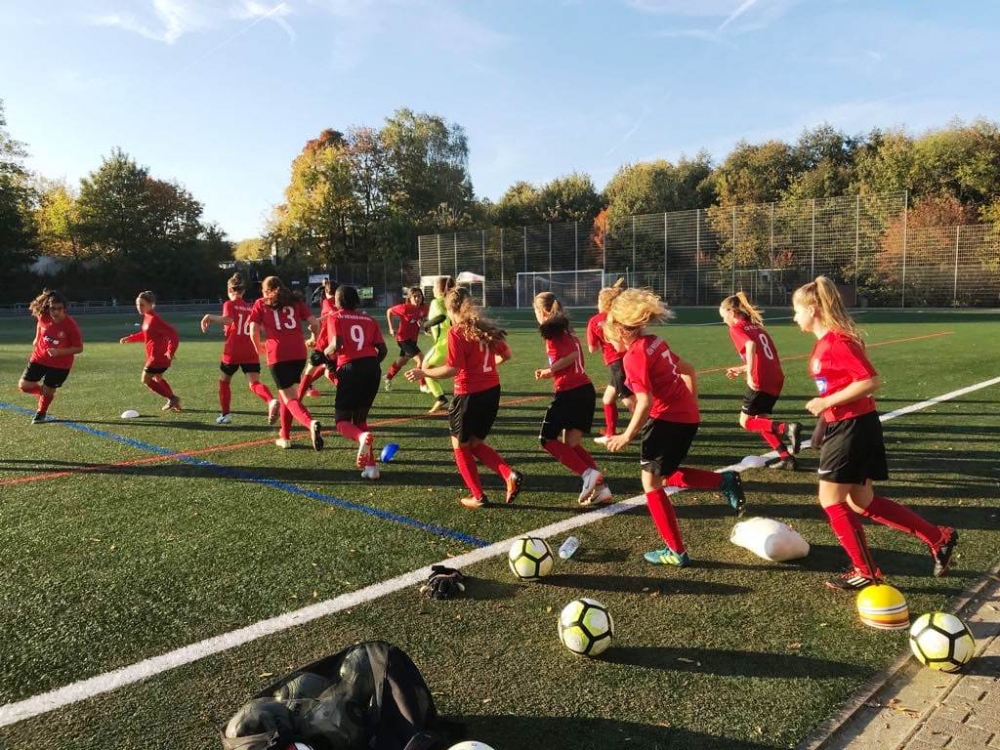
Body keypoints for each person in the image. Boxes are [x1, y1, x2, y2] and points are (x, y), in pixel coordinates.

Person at [792, 276, 958, 590]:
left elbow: (870, 381)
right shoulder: (826, 343)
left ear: (812, 309)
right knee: (861, 501)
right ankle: (938, 537)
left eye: (797, 310)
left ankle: (865, 571)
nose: (794, 317)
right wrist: (823, 423)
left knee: (830, 501)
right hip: (851, 425)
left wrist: (825, 404)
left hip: (853, 428)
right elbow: (838, 387)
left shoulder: (837, 342)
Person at [604, 288, 747, 568]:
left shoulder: (633, 356)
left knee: (650, 484)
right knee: (665, 476)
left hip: (667, 420)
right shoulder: (655, 342)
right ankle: (724, 481)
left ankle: (676, 551)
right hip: (684, 417)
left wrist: (626, 435)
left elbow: (645, 402)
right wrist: (691, 405)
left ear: (620, 330)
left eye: (608, 334)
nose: (607, 339)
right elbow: (688, 370)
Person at [406, 287, 522, 509]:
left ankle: (478, 496)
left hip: (469, 395)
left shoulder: (456, 332)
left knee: (459, 446)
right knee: (475, 443)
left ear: (450, 309)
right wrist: (486, 370)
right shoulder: (485, 328)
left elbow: (453, 369)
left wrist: (424, 372)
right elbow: (506, 355)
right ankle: (509, 475)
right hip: (492, 391)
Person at [534, 292, 612, 505]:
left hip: (571, 391)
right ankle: (601, 488)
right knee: (572, 443)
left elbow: (572, 356)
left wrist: (550, 370)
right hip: (583, 390)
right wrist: (551, 372)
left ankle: (588, 474)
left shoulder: (553, 330)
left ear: (542, 311)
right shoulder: (566, 328)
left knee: (547, 439)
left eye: (535, 312)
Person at [720, 291, 803, 469]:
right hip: (776, 377)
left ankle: (787, 428)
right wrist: (742, 368)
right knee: (761, 420)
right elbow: (765, 356)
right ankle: (787, 459)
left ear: (732, 313)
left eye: (723, 316)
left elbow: (750, 345)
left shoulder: (736, 328)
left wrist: (750, 373)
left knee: (746, 422)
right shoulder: (757, 327)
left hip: (761, 379)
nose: (724, 321)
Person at [247, 276, 324, 451]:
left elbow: (253, 330)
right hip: (298, 352)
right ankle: (285, 437)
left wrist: (257, 346)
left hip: (278, 353)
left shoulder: (261, 303)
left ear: (267, 290)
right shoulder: (295, 301)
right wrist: (314, 337)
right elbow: (314, 323)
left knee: (290, 399)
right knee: (286, 396)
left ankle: (310, 423)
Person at [323, 285, 387, 480]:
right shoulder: (369, 319)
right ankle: (372, 467)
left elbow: (336, 344)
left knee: (342, 421)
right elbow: (383, 350)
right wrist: (370, 364)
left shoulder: (335, 316)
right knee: (360, 420)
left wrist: (325, 353)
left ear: (338, 301)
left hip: (350, 368)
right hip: (372, 368)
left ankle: (360, 437)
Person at [200, 273, 279, 425]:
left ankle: (225, 415)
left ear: (229, 289)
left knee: (224, 382)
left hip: (233, 350)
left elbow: (228, 320)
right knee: (254, 383)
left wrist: (209, 316)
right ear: (243, 291)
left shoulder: (229, 304)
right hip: (250, 350)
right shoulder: (250, 307)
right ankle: (270, 400)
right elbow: (260, 327)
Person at [18, 289, 83, 424]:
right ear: (48, 308)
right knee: (24, 386)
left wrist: (59, 352)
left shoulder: (70, 325)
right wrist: (37, 338)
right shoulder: (43, 316)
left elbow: (79, 348)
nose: (56, 312)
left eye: (59, 309)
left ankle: (41, 412)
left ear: (64, 309)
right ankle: (44, 394)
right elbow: (40, 325)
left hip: (61, 365)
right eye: (53, 308)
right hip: (39, 358)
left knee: (48, 391)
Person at [586, 280, 635, 444]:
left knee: (630, 401)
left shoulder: (595, 321)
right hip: (630, 358)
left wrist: (602, 340)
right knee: (608, 399)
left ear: (601, 302)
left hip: (616, 363)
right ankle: (610, 433)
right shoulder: (621, 317)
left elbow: (592, 349)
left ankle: (651, 428)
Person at [120, 291, 182, 412]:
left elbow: (173, 334)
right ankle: (174, 403)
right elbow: (145, 334)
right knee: (158, 379)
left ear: (151, 304)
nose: (139, 307)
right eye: (137, 304)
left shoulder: (154, 319)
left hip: (157, 357)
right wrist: (130, 338)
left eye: (142, 304)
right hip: (156, 356)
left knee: (146, 380)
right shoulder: (147, 317)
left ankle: (172, 398)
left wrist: (170, 350)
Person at [298, 277, 339, 401]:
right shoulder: (341, 303)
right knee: (328, 369)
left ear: (326, 291)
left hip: (324, 343)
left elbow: (331, 312)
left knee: (311, 370)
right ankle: (350, 392)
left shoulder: (327, 302)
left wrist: (316, 325)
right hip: (337, 343)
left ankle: (297, 399)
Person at [420, 276, 456, 414]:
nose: (433, 289)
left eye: (435, 287)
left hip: (443, 344)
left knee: (425, 369)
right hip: (453, 341)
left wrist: (426, 325)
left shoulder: (437, 302)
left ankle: (440, 398)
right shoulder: (452, 301)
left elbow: (441, 317)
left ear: (441, 289)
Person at [384, 287, 428, 392]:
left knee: (402, 361)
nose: (417, 298)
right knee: (421, 359)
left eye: (419, 296)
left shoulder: (425, 308)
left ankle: (388, 377)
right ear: (409, 298)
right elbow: (389, 311)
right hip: (403, 339)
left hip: (413, 340)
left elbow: (424, 318)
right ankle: (423, 385)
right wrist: (391, 328)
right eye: (414, 296)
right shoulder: (404, 308)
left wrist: (423, 322)